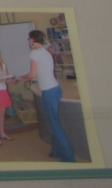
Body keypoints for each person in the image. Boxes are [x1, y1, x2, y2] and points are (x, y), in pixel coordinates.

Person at [19, 30, 75, 163]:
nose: (28, 41)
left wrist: (23, 77)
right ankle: (56, 151)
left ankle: (69, 158)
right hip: (55, 89)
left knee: (54, 124)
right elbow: (40, 73)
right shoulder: (45, 51)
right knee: (54, 121)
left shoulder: (34, 52)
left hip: (49, 92)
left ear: (32, 40)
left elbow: (32, 74)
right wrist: (27, 77)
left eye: (29, 39)